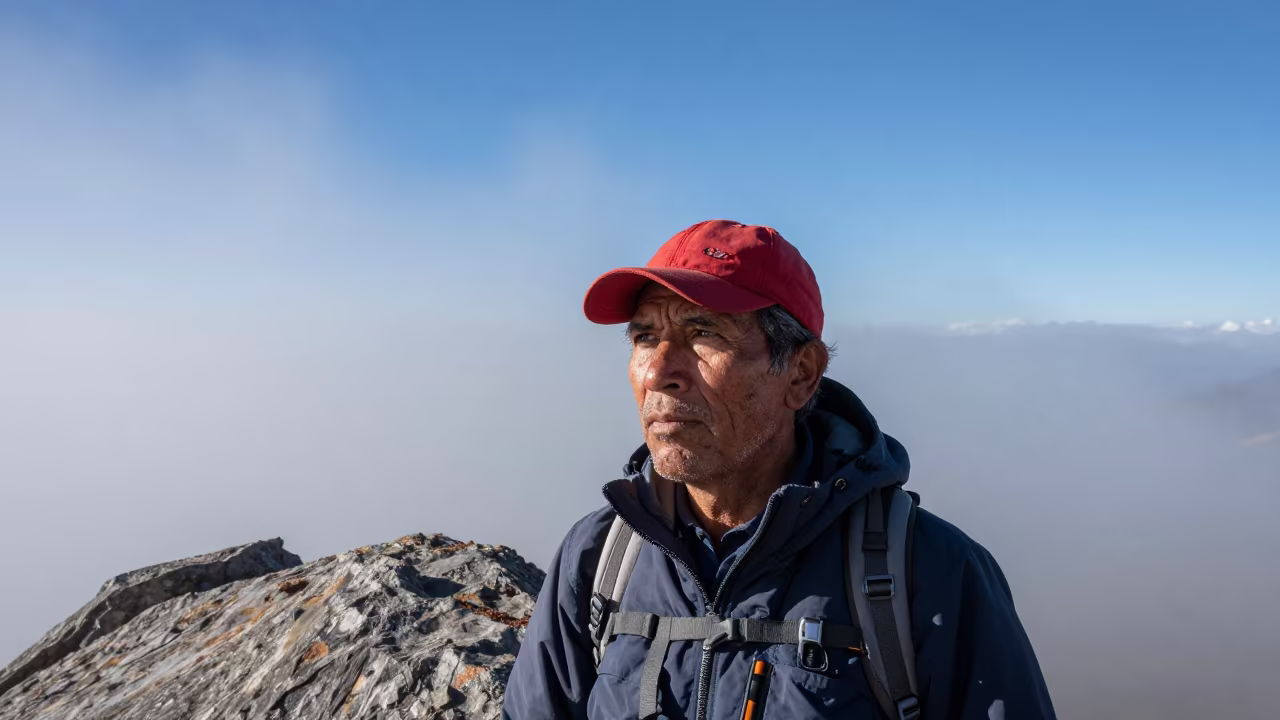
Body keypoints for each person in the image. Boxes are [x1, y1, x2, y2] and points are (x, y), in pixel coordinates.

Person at [503, 220, 1056, 719]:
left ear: (801, 374)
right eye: (645, 336)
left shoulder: (929, 573)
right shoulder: (600, 557)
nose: (659, 373)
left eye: (703, 333)